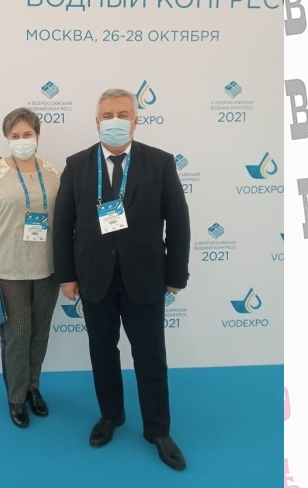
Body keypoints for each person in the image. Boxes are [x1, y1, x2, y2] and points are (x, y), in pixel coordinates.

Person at [52, 88, 191, 471]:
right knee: (102, 352)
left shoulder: (160, 163)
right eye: (108, 114)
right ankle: (111, 415)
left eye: (123, 114)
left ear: (135, 120)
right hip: (94, 278)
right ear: (97, 121)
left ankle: (158, 430)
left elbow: (178, 222)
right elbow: (63, 226)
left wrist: (176, 274)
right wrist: (67, 276)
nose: (115, 121)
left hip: (145, 278)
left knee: (150, 356)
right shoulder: (77, 164)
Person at [0, 108, 62, 429]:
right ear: (7, 138)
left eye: (27, 134)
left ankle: (33, 387)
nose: (22, 140)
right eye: (15, 136)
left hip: (47, 269)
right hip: (8, 270)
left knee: (39, 333)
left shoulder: (54, 173)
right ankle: (16, 397)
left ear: (38, 135)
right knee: (17, 335)